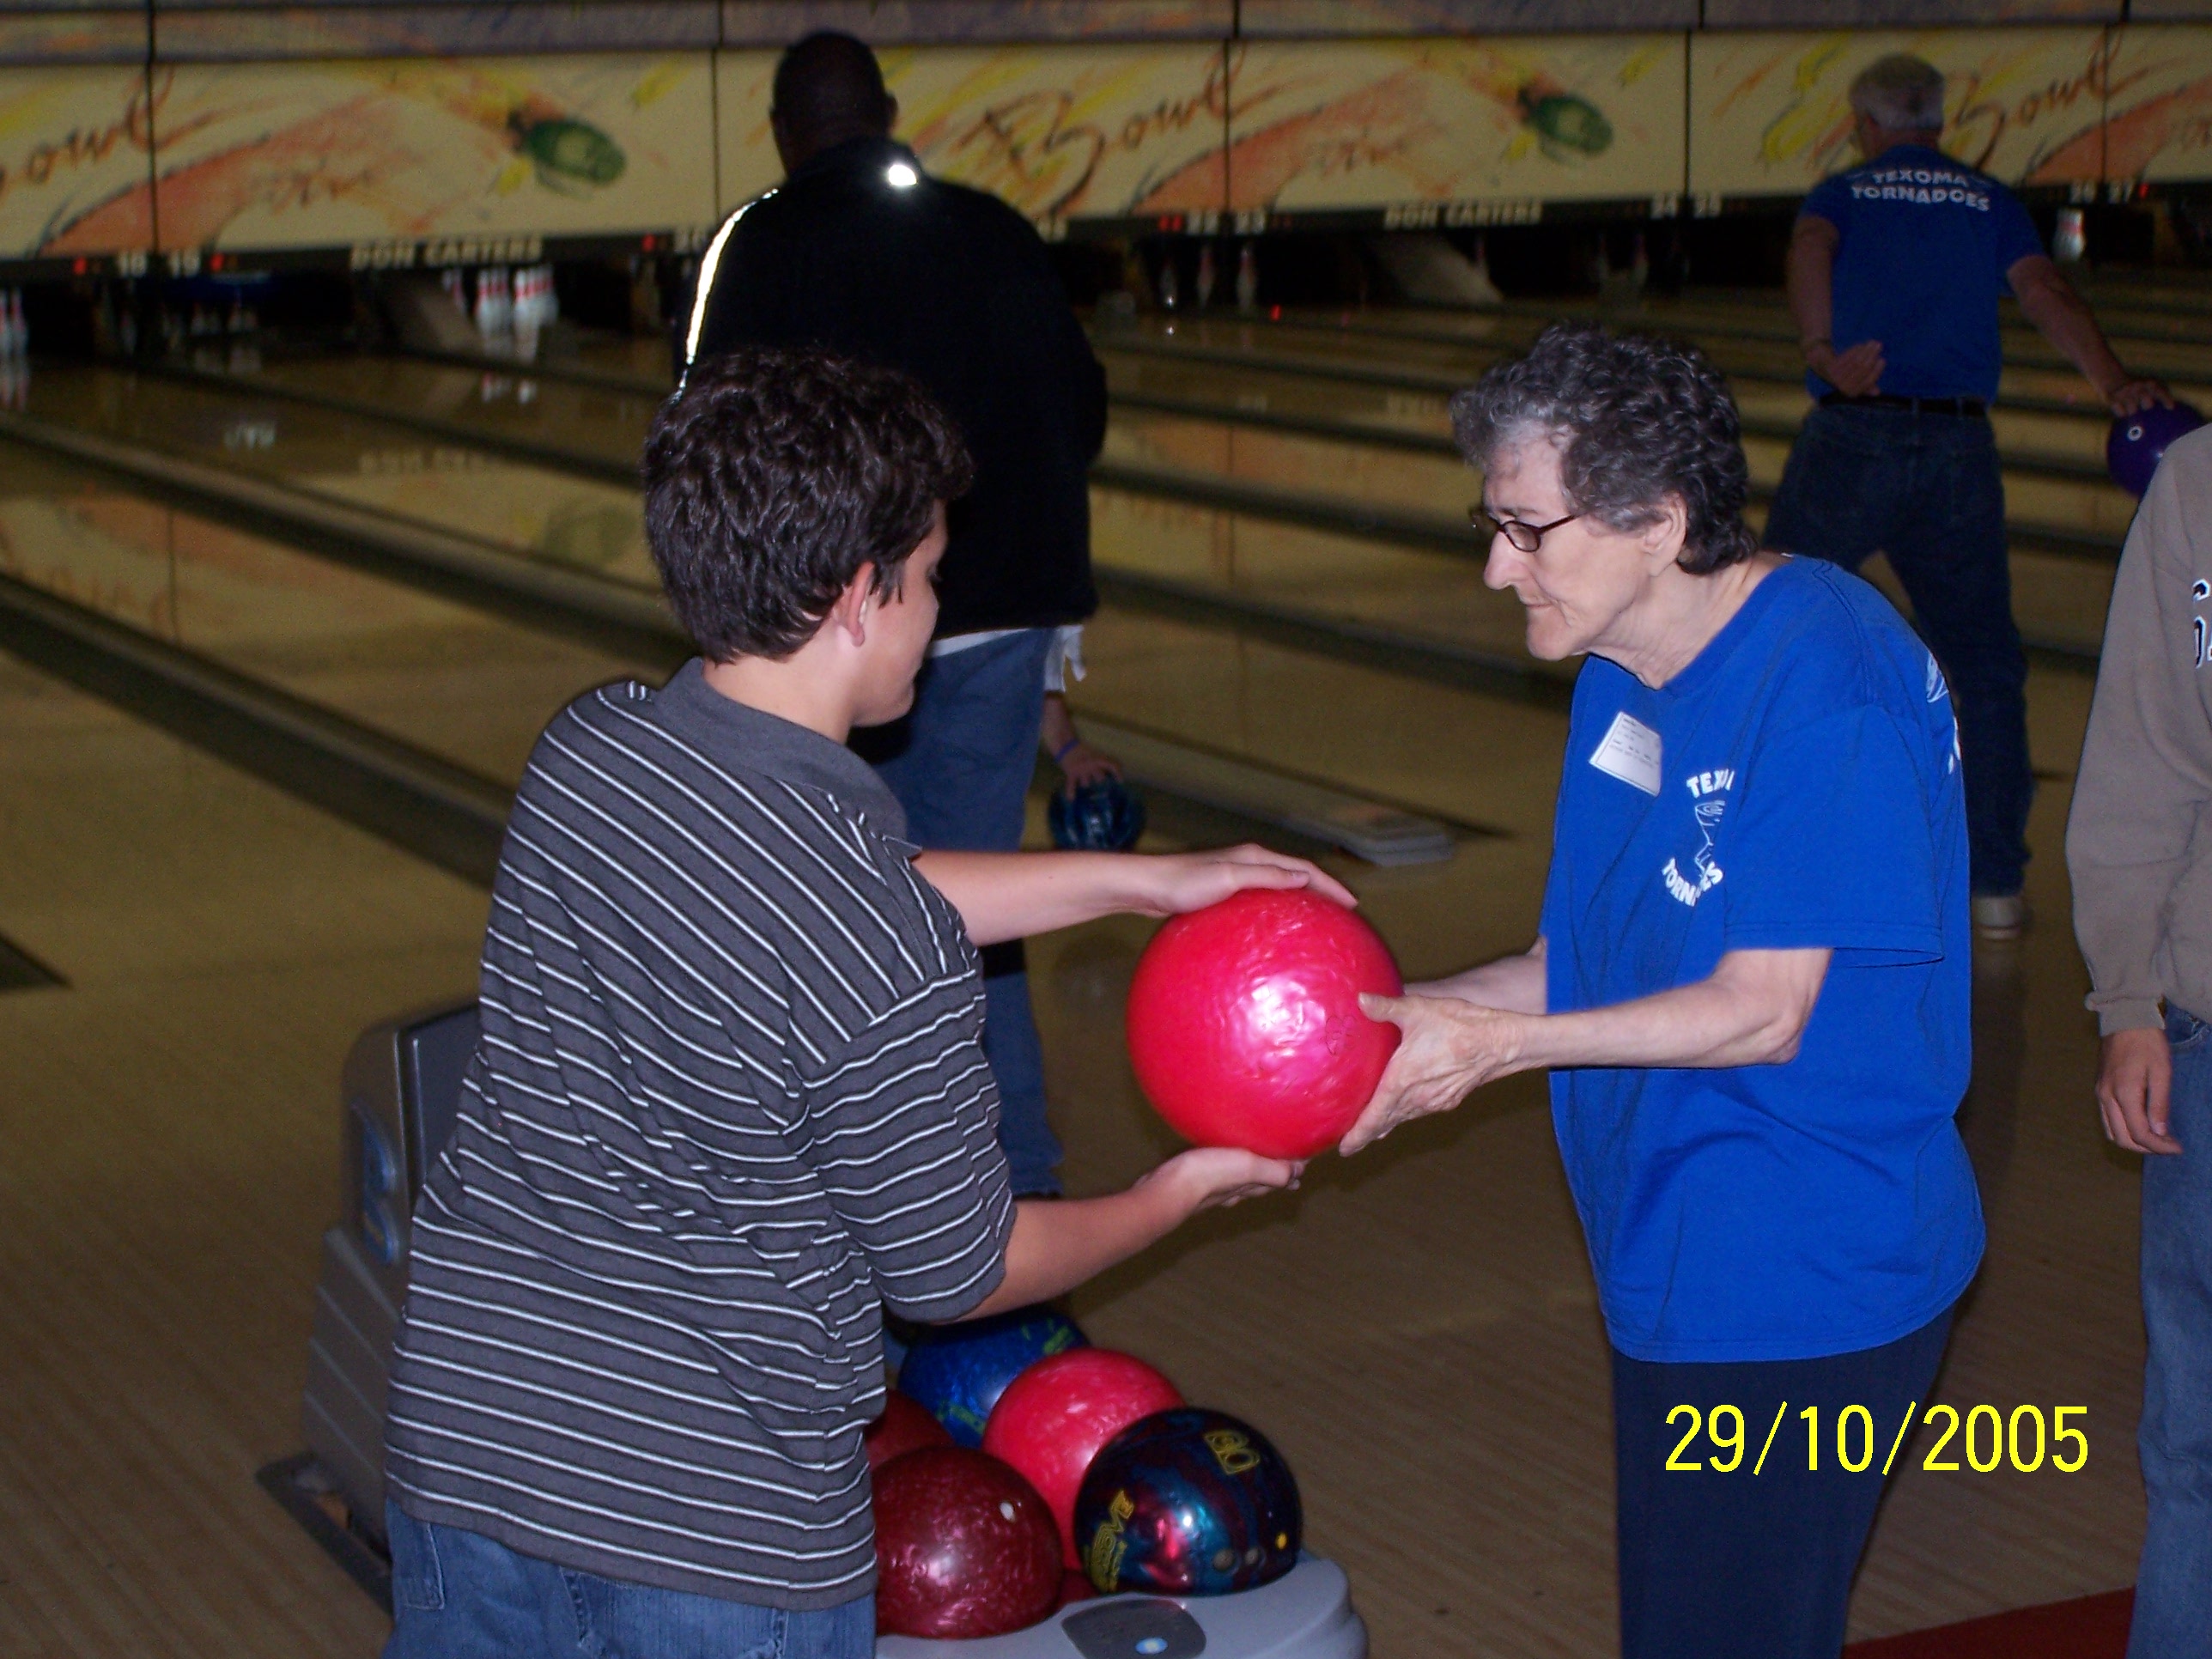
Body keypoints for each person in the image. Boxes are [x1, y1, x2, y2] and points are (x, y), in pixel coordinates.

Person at [379, 348, 1332, 1658]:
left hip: (472, 1460)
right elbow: (961, 1271)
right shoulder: (875, 939)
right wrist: (1178, 1192)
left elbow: (848, 903)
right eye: (932, 576)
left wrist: (1144, 881)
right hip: (715, 1542)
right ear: (854, 601)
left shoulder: (589, 752)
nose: (939, 612)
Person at [1340, 324, 1984, 1659]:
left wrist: (1498, 1050)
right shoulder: (1622, 672)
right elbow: (1585, 955)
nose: (1493, 565)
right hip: (1677, 1250)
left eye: (1527, 530)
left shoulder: (1827, 688)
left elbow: (1765, 1008)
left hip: (1810, 1273)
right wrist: (1399, 1021)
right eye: (1492, 521)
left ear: (1657, 522)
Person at [678, 30, 1109, 1196]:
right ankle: (1007, 1180)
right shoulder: (995, 230)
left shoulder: (756, 241)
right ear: (888, 112)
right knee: (966, 901)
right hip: (1007, 612)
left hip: (829, 626)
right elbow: (1081, 408)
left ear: (782, 131)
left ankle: (877, 1187)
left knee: (831, 912)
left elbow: (705, 450)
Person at [1764, 52, 2168, 940]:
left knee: (1771, 633)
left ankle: (1767, 855)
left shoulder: (1839, 193)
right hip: (1955, 447)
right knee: (1982, 668)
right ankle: (1993, 887)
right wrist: (2111, 383)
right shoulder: (1987, 199)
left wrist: (1822, 347)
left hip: (1851, 435)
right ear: (1940, 124)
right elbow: (2043, 289)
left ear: (1863, 125)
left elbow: (1807, 249)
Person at [2067, 424, 2212, 1659]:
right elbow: (2144, 761)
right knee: (2200, 1447)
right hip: (2209, 1037)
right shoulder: (2200, 486)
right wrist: (2129, 1003)